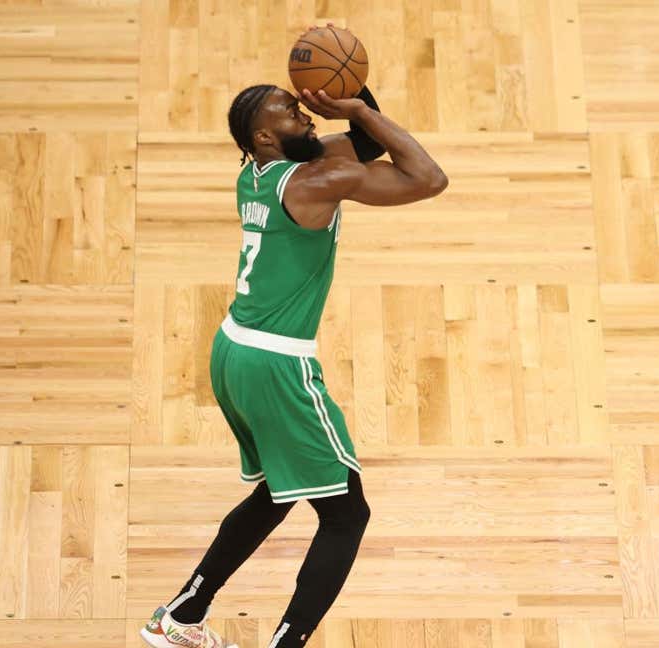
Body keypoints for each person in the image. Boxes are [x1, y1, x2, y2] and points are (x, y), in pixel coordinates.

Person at [139, 32, 447, 648]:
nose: (302, 111)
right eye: (288, 109)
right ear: (263, 135)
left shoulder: (258, 172)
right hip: (277, 364)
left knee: (281, 491)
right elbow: (427, 177)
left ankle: (180, 617)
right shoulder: (316, 182)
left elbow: (356, 146)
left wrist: (354, 94)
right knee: (346, 514)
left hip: (233, 350)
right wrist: (356, 107)